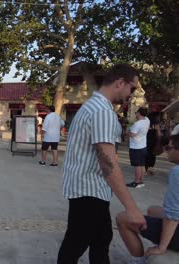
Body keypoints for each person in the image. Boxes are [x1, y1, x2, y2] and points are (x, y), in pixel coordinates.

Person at [58, 64, 146, 264]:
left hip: (87, 188)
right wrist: (131, 207)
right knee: (76, 245)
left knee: (101, 241)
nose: (131, 95)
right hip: (90, 190)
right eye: (132, 88)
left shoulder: (91, 107)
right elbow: (108, 164)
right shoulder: (102, 112)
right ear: (120, 83)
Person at [116, 135, 179, 264]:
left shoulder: (177, 172)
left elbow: (173, 215)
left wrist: (162, 247)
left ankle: (139, 260)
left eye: (169, 148)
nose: (166, 151)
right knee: (152, 210)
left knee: (123, 218)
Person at [126, 107, 150, 188]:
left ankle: (137, 182)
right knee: (142, 164)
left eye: (136, 112)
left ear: (139, 113)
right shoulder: (147, 120)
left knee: (137, 165)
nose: (135, 114)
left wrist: (128, 131)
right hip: (143, 146)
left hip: (136, 147)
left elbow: (132, 135)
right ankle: (141, 181)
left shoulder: (138, 124)